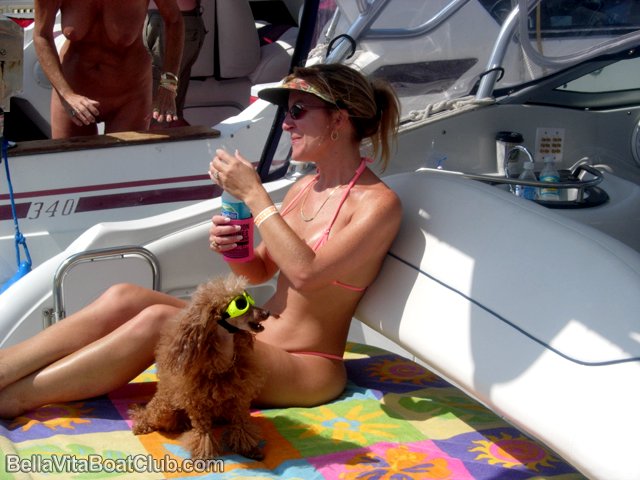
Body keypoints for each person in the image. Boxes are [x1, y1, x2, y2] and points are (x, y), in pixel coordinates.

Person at [0, 63, 401, 418]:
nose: (286, 124)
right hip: (256, 335)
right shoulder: (306, 188)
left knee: (161, 321)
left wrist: (255, 195)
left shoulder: (377, 204)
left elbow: (307, 273)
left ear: (339, 119)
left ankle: (17, 398)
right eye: (286, 112)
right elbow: (259, 270)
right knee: (126, 296)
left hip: (306, 365)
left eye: (297, 111)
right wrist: (234, 247)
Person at [33, 0, 184, 139]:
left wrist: (168, 86)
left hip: (129, 96)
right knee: (70, 158)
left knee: (125, 159)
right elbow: (41, 35)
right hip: (74, 89)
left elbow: (174, 20)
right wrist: (66, 94)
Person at [145, 0, 206, 124]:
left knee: (156, 118)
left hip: (166, 22)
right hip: (182, 20)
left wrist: (168, 85)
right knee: (166, 113)